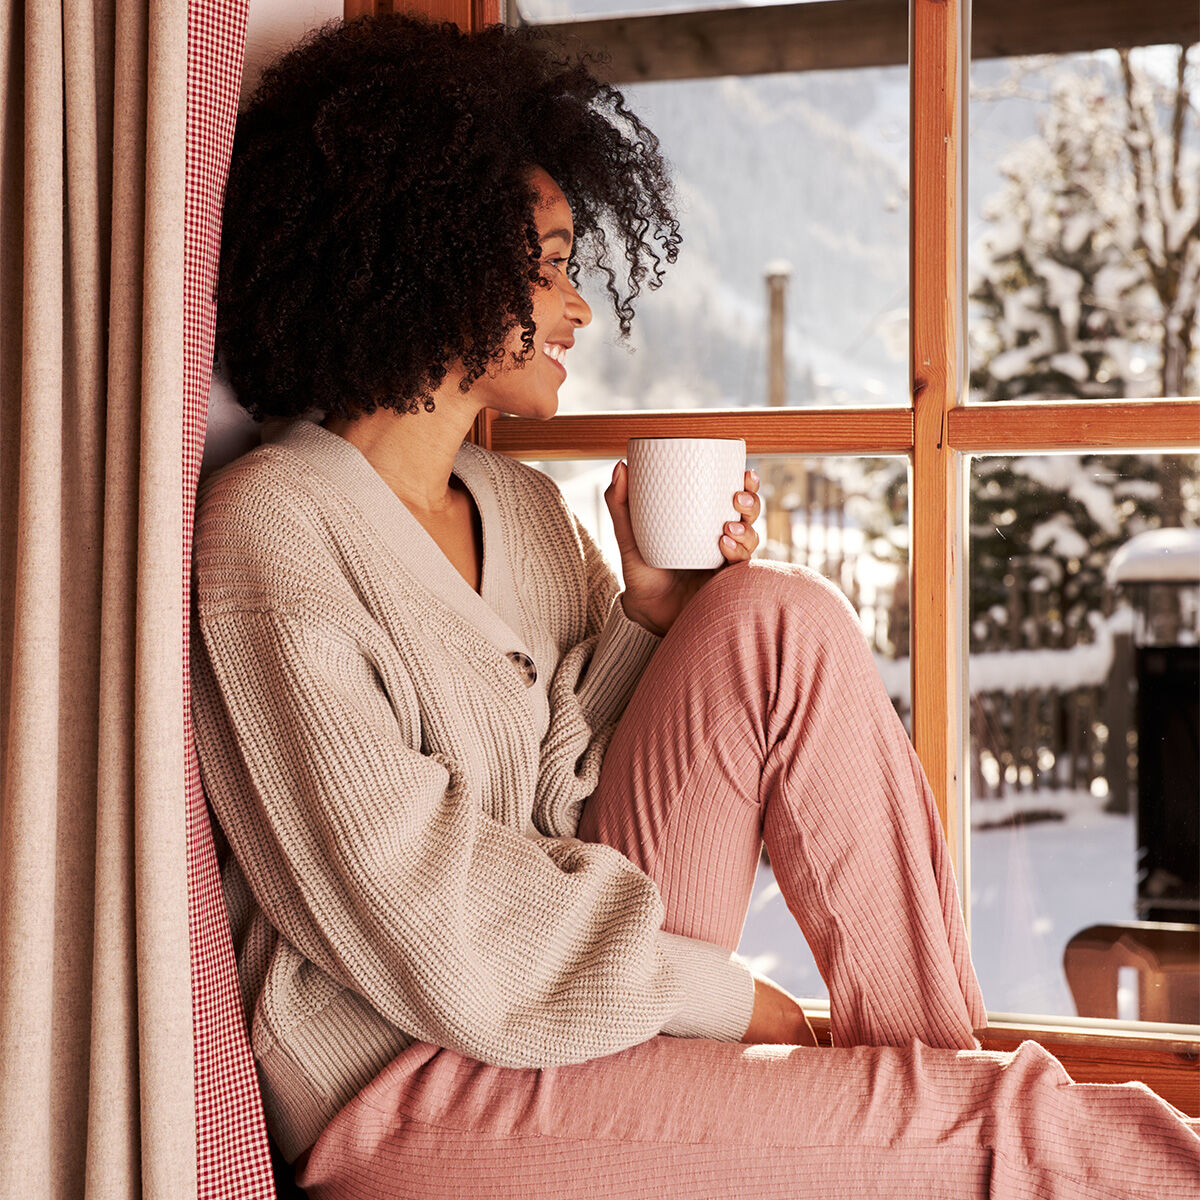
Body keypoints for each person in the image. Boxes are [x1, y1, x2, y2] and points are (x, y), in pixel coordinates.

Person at [192, 13, 1200, 1198]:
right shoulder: (274, 529)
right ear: (432, 254)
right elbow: (432, 924)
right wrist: (729, 998)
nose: (581, 310)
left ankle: (930, 1089)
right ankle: (959, 1123)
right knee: (1023, 1130)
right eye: (555, 264)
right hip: (416, 1083)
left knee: (776, 614)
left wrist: (655, 621)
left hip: (575, 1011)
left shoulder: (517, 509)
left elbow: (574, 795)